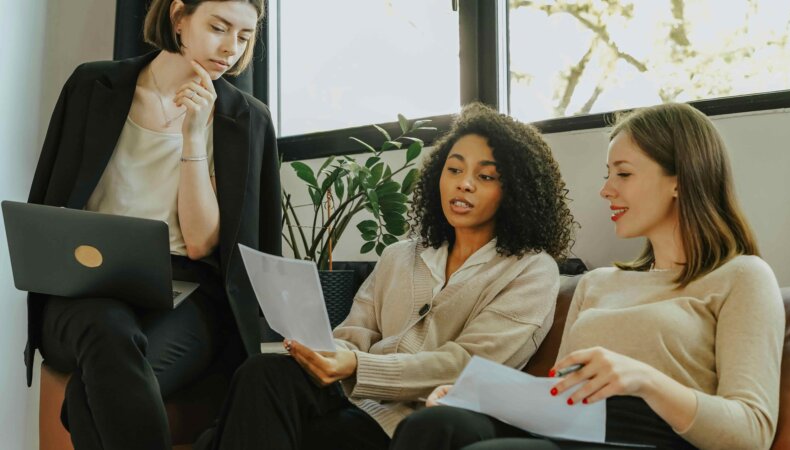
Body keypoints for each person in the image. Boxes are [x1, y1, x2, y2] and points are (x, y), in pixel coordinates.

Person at [390, 103, 785, 450]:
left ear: (679, 179)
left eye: (623, 174)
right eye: (607, 174)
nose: (606, 190)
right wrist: (476, 396)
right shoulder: (598, 283)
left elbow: (751, 432)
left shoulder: (742, 276)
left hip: (649, 437)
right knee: (433, 425)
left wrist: (644, 379)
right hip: (570, 428)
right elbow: (556, 397)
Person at [195, 103, 576, 450]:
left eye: (486, 176)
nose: (464, 183)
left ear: (516, 191)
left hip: (412, 419)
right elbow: (355, 334)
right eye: (454, 169)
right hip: (351, 397)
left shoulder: (531, 269)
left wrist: (359, 366)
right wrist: (327, 352)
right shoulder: (400, 254)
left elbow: (467, 365)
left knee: (233, 435)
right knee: (264, 371)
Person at [25, 1, 280, 449]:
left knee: (91, 392)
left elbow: (201, 244)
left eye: (244, 37)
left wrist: (195, 136)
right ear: (179, 17)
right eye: (218, 28)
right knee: (107, 327)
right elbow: (50, 200)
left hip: (186, 294)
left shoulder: (245, 119)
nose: (230, 49)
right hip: (85, 290)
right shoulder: (92, 86)